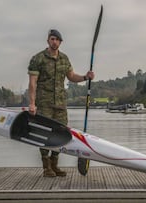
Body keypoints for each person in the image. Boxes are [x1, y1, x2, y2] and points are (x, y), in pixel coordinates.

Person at [27, 29, 95, 177]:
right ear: (48, 40)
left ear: (60, 42)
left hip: (60, 104)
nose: (54, 42)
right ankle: (46, 167)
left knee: (61, 133)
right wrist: (32, 104)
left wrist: (85, 77)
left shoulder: (64, 59)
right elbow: (32, 83)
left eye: (57, 40)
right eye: (52, 39)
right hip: (44, 103)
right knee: (44, 133)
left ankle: (55, 164)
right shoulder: (38, 59)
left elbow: (71, 76)